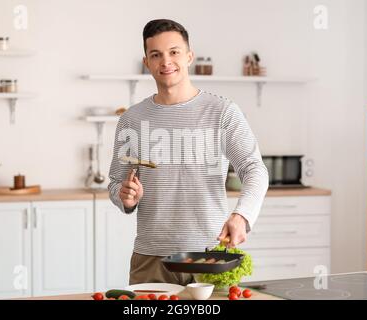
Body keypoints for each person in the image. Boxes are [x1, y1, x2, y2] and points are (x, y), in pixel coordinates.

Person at [108, 19, 269, 286]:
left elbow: (255, 168)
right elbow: (116, 182)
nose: (165, 61)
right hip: (151, 259)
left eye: (174, 52)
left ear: (189, 56)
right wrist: (126, 197)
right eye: (156, 55)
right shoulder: (131, 120)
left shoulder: (222, 112)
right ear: (146, 62)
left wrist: (242, 216)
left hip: (210, 254)